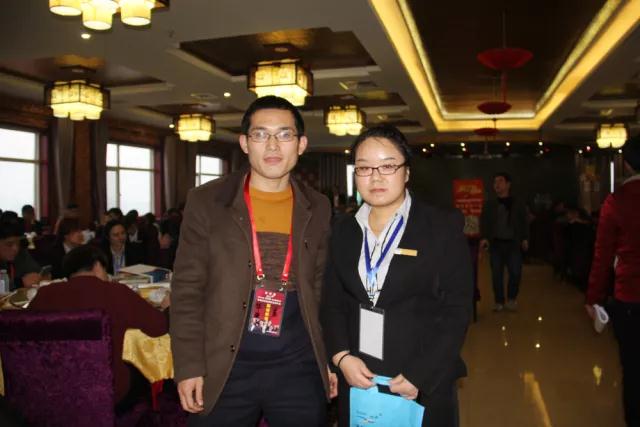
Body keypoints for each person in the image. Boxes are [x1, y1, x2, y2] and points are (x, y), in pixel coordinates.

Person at [170, 95, 336, 427]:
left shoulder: (318, 206)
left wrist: (327, 359)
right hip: (224, 365)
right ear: (245, 143)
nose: (272, 145)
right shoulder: (207, 201)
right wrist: (189, 366)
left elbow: (321, 290)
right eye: (261, 134)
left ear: (301, 144)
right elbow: (187, 290)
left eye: (284, 134)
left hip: (298, 366)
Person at [321, 125, 473, 427]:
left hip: (421, 379)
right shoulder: (343, 230)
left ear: (406, 172)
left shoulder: (441, 226)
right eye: (364, 168)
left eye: (388, 166)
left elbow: (457, 309)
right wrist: (341, 357)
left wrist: (422, 373)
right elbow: (332, 302)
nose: (375, 177)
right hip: (360, 376)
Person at [29, 244, 168, 411]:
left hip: (53, 388)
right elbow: (159, 327)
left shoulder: (45, 294)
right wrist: (167, 307)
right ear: (97, 265)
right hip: (109, 389)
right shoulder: (116, 292)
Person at [585, 135, 640, 426]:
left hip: (630, 297)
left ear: (627, 164)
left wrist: (593, 298)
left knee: (633, 370)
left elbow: (602, 255)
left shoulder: (618, 201)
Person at [479, 172, 529, 311]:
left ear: (508, 184)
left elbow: (524, 222)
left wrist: (525, 238)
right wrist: (484, 238)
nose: (497, 184)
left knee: (515, 272)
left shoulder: (518, 203)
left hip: (513, 243)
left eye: (500, 181)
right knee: (496, 274)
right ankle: (499, 301)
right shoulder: (489, 205)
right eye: (495, 182)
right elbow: (484, 222)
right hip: (496, 244)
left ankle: (512, 299)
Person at [0, 217, 40, 289]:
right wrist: (20, 283)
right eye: (9, 244)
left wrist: (37, 276)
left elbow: (35, 271)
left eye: (18, 244)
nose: (15, 248)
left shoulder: (21, 253)